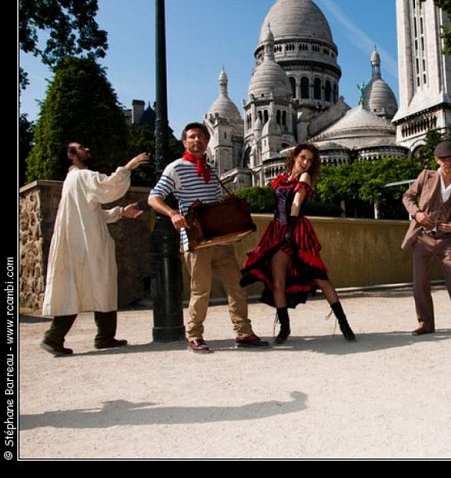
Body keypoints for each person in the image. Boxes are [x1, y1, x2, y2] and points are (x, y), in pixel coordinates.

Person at [148, 122, 268, 353]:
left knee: (236, 286)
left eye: (201, 137)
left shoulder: (211, 169)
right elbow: (154, 197)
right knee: (200, 290)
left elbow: (215, 204)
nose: (197, 141)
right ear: (185, 142)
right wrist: (173, 213)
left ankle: (243, 332)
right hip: (195, 242)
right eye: (192, 137)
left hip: (219, 240)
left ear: (206, 142)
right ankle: (194, 335)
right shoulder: (176, 168)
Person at [240, 143, 356, 345]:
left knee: (320, 278)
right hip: (277, 231)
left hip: (296, 231)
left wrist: (290, 231)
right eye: (303, 158)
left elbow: (296, 203)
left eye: (310, 160)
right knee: (278, 282)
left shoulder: (304, 178)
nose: (306, 163)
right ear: (294, 157)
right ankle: (285, 328)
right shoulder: (282, 179)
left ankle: (344, 323)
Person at [40, 143, 149, 356]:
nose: (87, 149)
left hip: (81, 241)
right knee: (97, 284)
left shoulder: (72, 180)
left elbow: (94, 213)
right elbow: (108, 187)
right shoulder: (82, 177)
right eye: (80, 148)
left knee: (91, 286)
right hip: (87, 243)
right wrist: (130, 165)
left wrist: (120, 212)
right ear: (71, 155)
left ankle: (102, 337)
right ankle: (55, 337)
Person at [401, 140, 451, 337]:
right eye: (443, 159)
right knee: (419, 282)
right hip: (423, 237)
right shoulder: (426, 176)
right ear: (437, 160)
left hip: (449, 240)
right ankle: (425, 324)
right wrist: (417, 214)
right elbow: (407, 197)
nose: (448, 162)